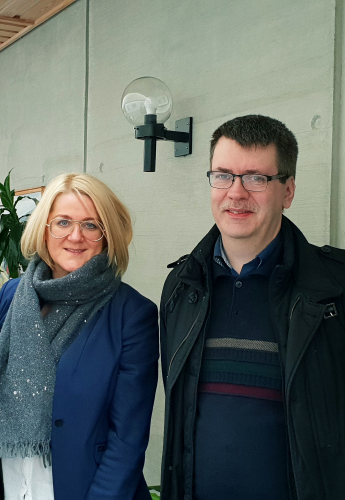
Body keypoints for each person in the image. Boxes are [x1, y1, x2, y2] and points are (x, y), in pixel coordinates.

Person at [160, 115, 345, 500]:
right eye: (223, 175)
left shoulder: (335, 289)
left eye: (256, 178)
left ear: (287, 191)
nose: (236, 192)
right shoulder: (182, 287)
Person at [0, 173, 159, 500]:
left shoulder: (131, 313)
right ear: (44, 228)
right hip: (9, 483)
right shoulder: (12, 295)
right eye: (63, 222)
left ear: (107, 235)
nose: (75, 235)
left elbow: (127, 440)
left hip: (84, 489)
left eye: (91, 225)